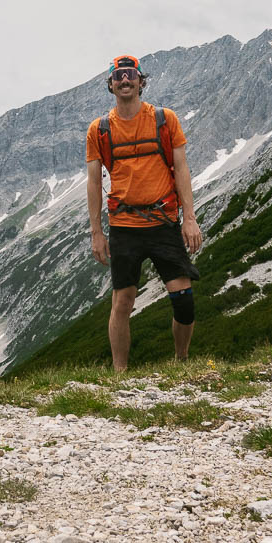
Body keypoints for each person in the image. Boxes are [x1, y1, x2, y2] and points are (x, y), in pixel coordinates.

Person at [85, 54, 203, 371]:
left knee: (184, 300)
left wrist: (189, 218)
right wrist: (96, 233)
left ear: (141, 81)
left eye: (131, 75)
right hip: (123, 226)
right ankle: (119, 372)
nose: (125, 80)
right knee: (122, 301)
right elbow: (94, 183)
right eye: (119, 76)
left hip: (164, 222)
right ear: (110, 85)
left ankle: (181, 362)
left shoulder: (165, 120)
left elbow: (181, 169)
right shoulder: (99, 130)